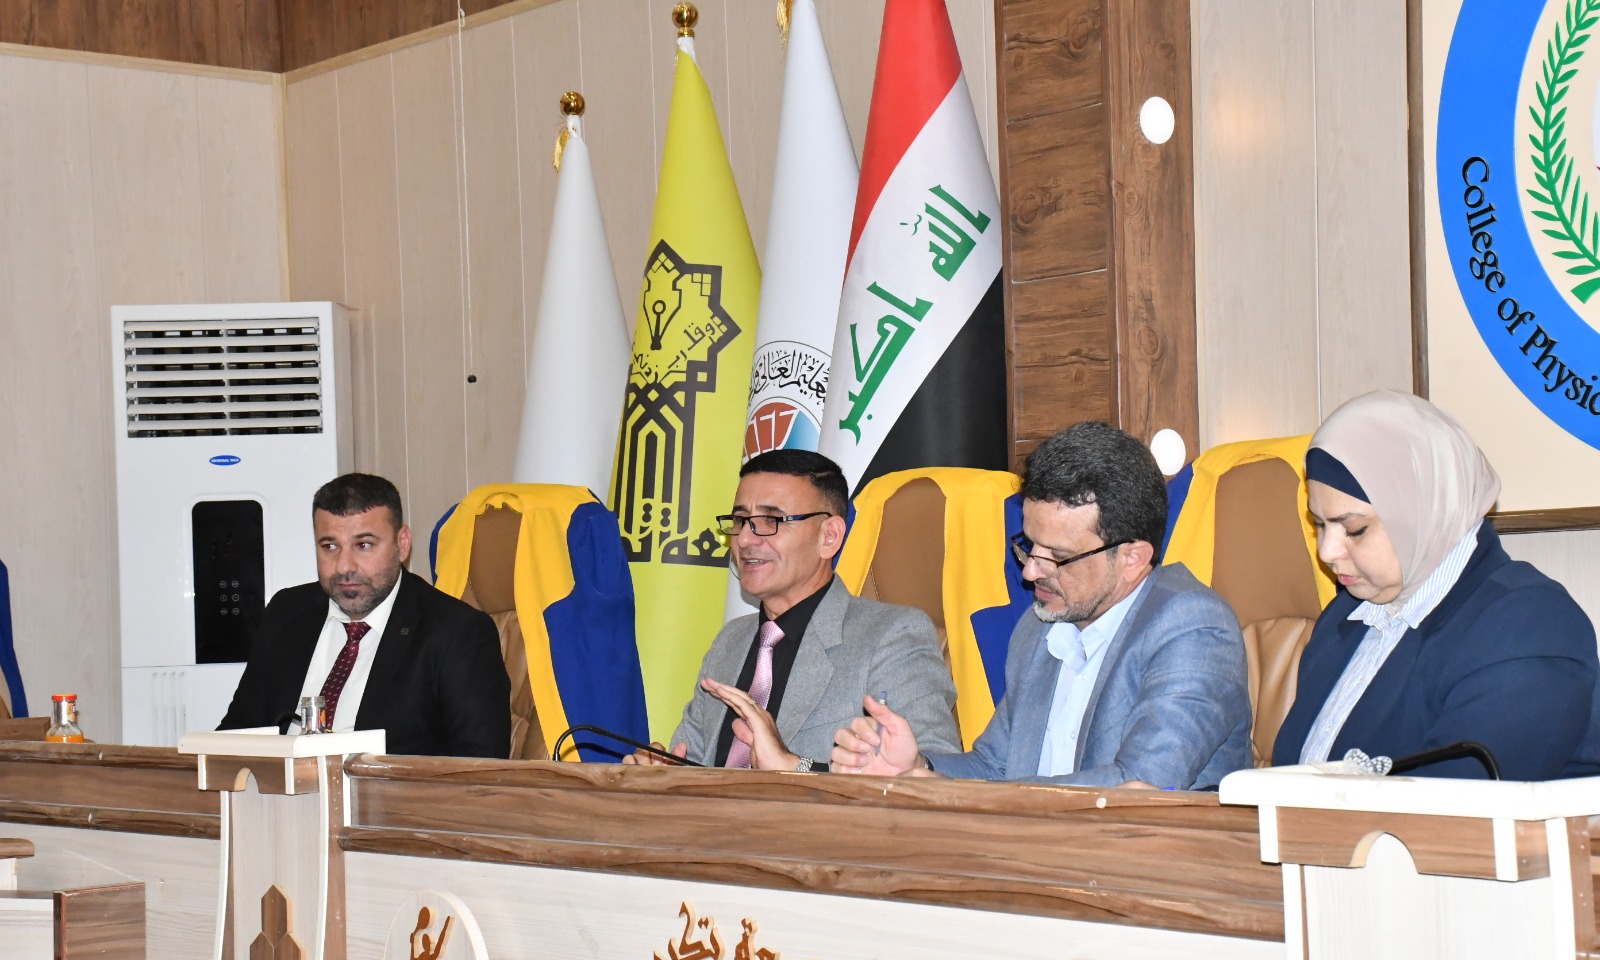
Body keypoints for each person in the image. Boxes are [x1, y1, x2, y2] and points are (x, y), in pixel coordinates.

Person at [832, 421, 1252, 788]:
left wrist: (989, 802)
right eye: (1029, 546)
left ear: (1132, 559)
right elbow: (995, 767)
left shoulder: (1192, 626)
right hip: (1036, 845)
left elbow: (1139, 785)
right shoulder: (1039, 628)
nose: (1031, 571)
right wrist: (917, 767)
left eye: (1058, 556)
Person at [1271, 390, 1600, 779]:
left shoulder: (1531, 624)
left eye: (1355, 529)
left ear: (1425, 511)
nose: (1327, 551)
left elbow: (1460, 799)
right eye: (1319, 524)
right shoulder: (1344, 618)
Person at [626, 449, 960, 770]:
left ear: (829, 537)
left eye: (771, 520)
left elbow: (932, 773)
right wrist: (663, 774)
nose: (745, 539)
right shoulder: (731, 641)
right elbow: (694, 762)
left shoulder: (891, 636)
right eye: (740, 520)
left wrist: (794, 766)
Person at [218, 473, 511, 758]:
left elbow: (480, 764)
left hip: (386, 790)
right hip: (278, 787)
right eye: (330, 546)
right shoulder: (288, 611)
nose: (344, 566)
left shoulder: (456, 632)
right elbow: (238, 732)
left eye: (364, 545)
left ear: (402, 543)